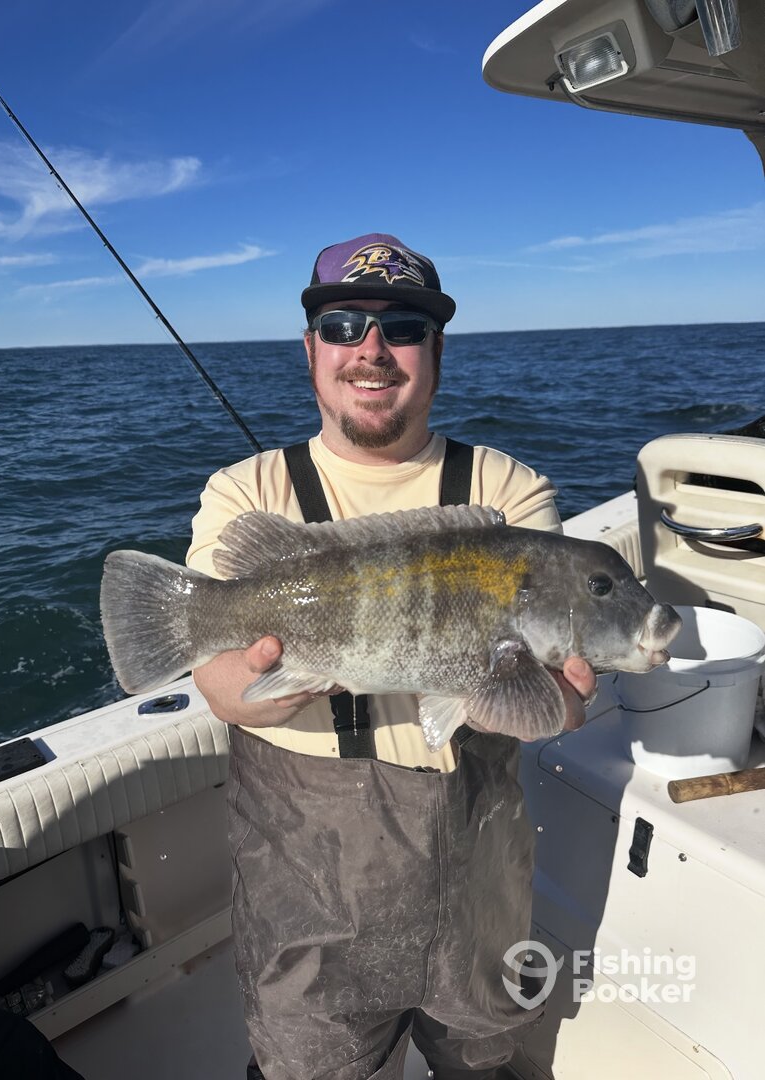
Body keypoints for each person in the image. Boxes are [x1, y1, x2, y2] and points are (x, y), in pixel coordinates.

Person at [187, 234, 595, 1080]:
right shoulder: (246, 491)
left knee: (482, 1054)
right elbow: (218, 682)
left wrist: (551, 699)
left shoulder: (506, 492)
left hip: (479, 853)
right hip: (306, 863)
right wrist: (260, 679)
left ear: (436, 351)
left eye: (403, 328)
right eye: (343, 326)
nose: (371, 349)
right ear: (310, 349)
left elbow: (546, 695)